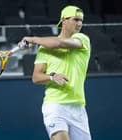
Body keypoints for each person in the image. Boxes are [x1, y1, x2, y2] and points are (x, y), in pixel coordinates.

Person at [21, 5, 92, 140]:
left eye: (81, 20)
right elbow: (36, 77)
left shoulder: (83, 39)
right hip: (55, 106)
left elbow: (57, 44)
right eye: (75, 19)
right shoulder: (44, 49)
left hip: (78, 107)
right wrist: (52, 76)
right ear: (63, 21)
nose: (79, 24)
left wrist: (33, 39)